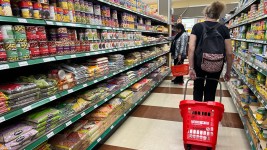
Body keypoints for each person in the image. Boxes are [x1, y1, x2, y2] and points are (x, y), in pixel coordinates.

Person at [188, 1, 233, 102]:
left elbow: (191, 48)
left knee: (198, 88)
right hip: (217, 65)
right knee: (211, 90)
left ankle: (197, 112)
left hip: (199, 63)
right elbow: (229, 53)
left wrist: (191, 68)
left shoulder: (197, 27)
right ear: (218, 15)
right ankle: (208, 114)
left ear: (206, 14)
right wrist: (228, 71)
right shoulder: (224, 29)